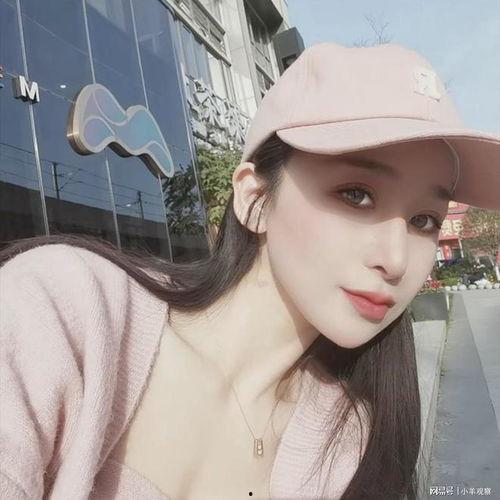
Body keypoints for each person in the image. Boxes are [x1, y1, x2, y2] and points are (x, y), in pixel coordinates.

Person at [1, 42, 499, 500]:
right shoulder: (68, 315)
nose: (396, 260)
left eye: (424, 220)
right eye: (357, 194)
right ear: (255, 198)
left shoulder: (348, 443)